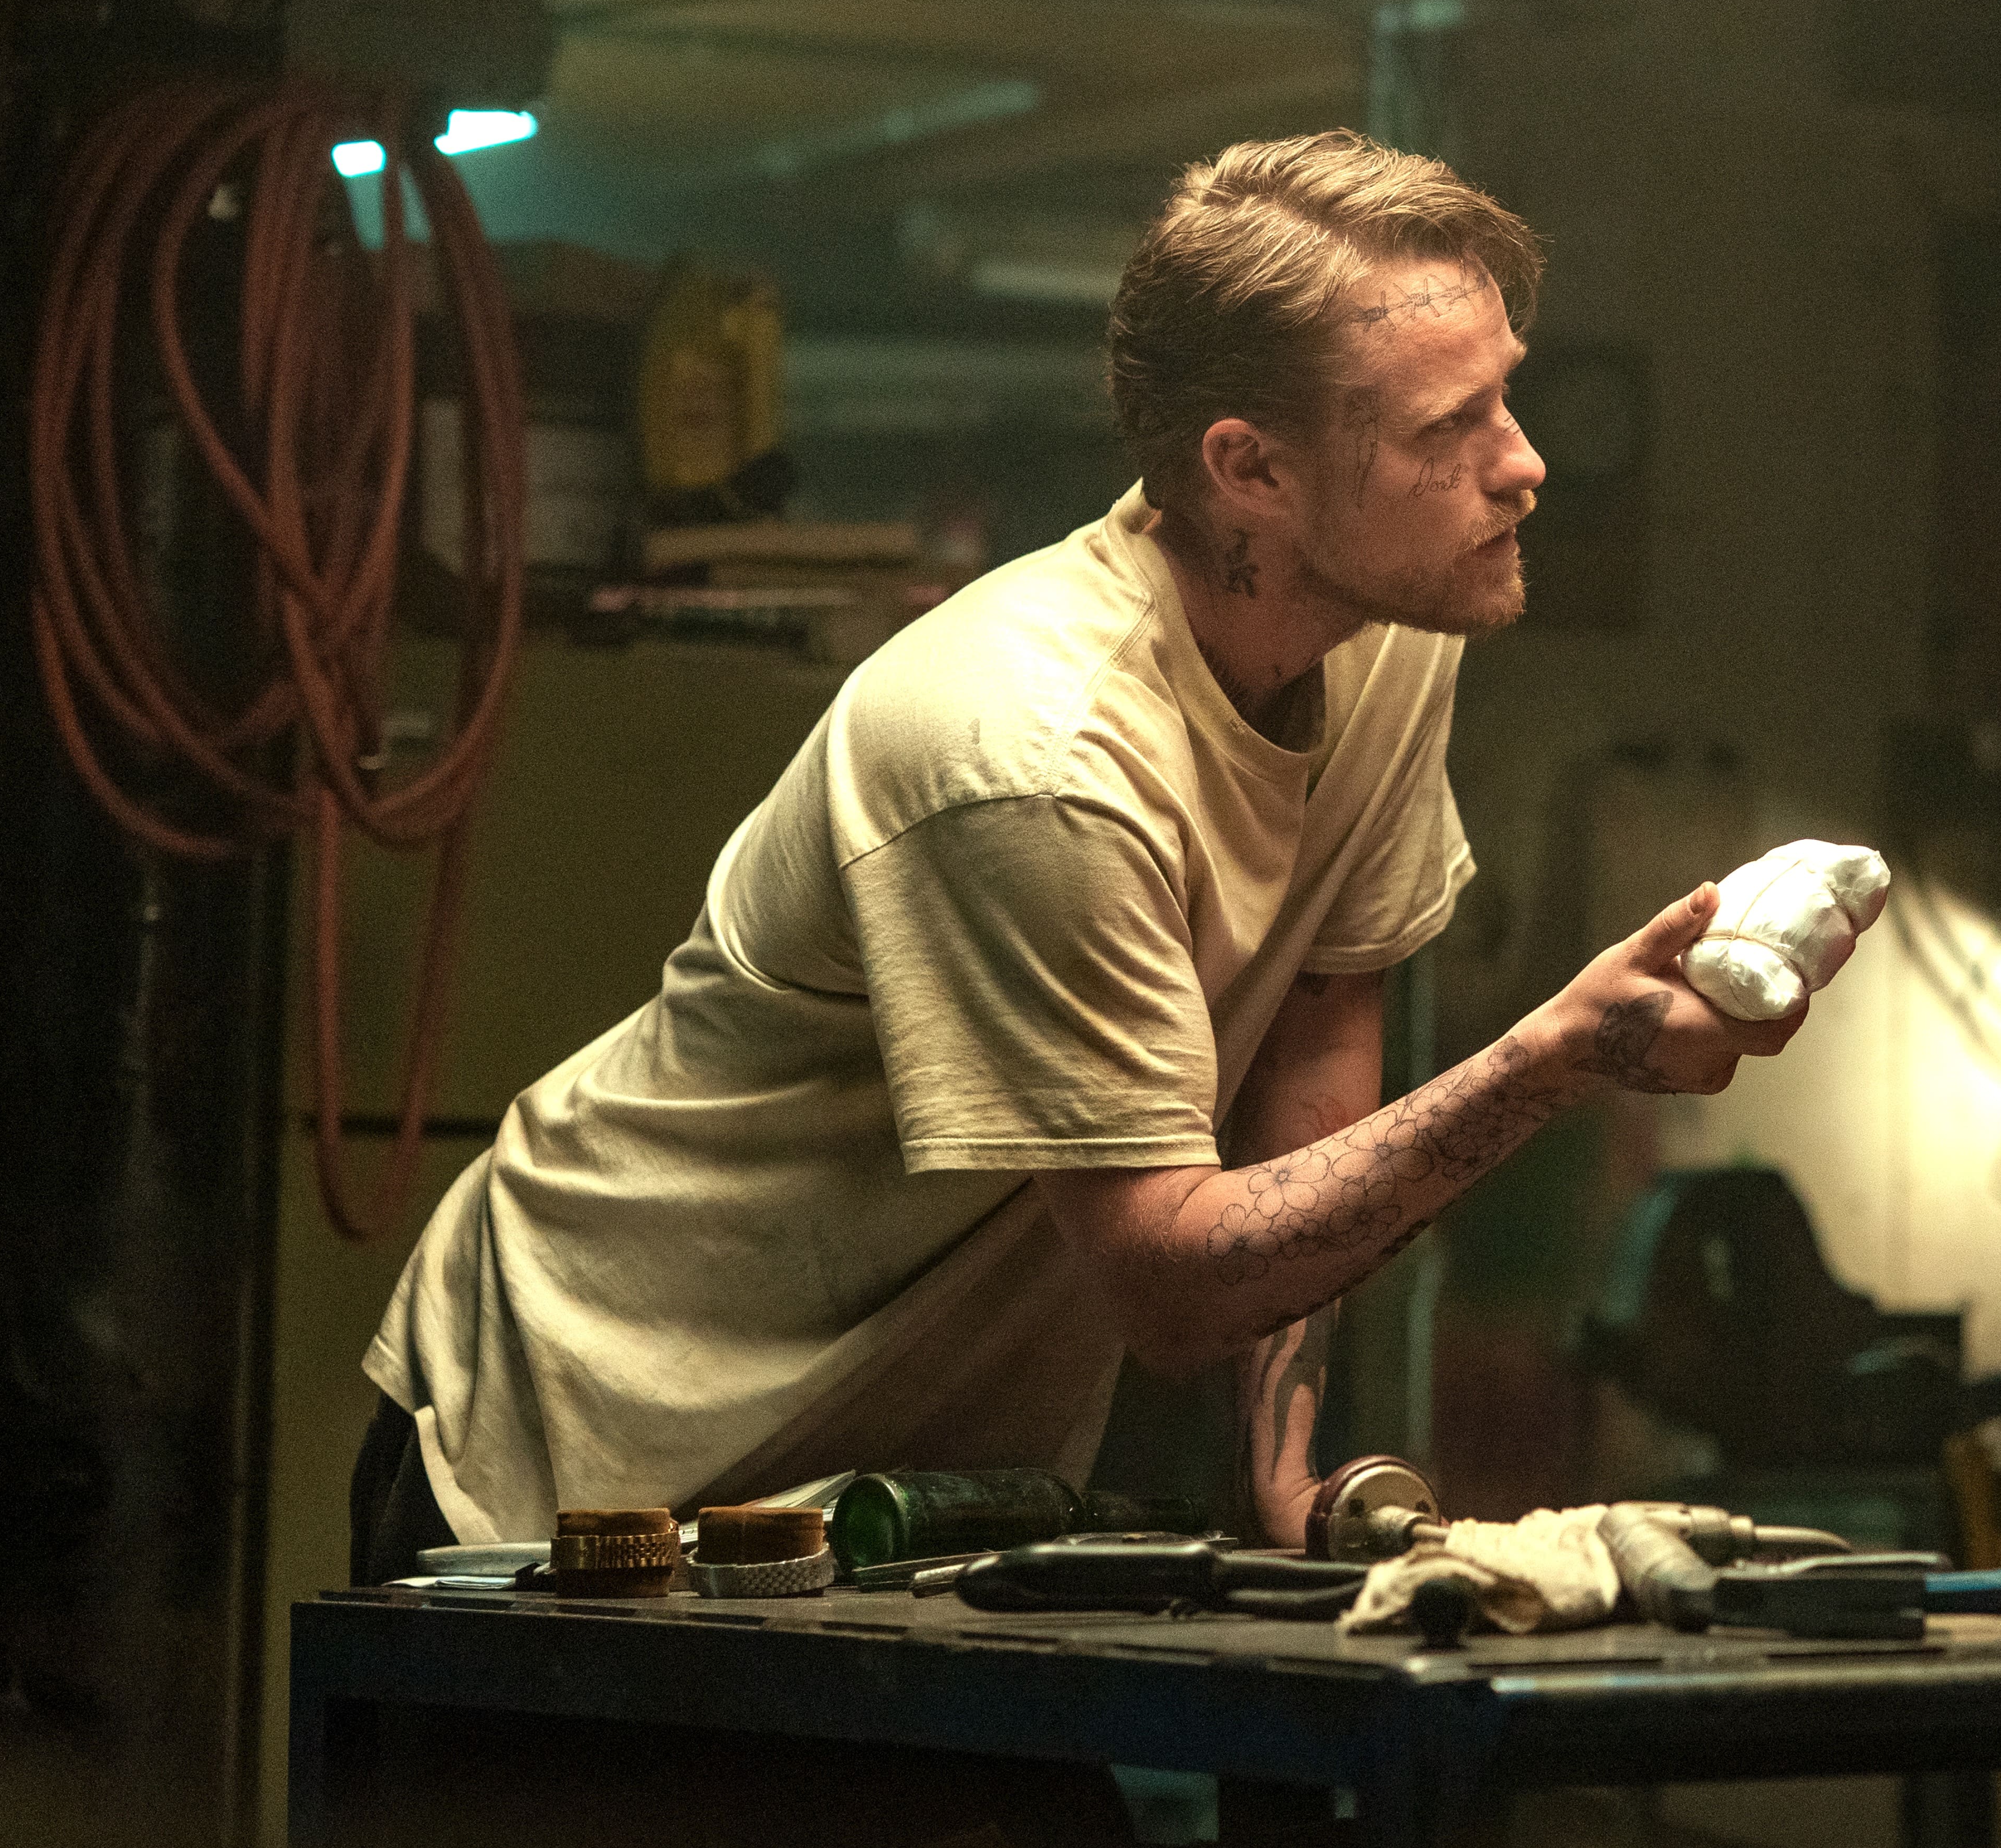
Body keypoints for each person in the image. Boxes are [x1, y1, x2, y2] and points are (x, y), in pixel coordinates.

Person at [354, 132, 1812, 1580]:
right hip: (594, 1446)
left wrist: (1283, 1468)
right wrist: (1551, 1059)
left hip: (892, 1492)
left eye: (1508, 394)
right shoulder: (1037, 752)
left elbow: (1317, 1015)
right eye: (1452, 426)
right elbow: (1171, 1284)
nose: (1525, 464)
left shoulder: (1385, 630)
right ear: (1252, 470)